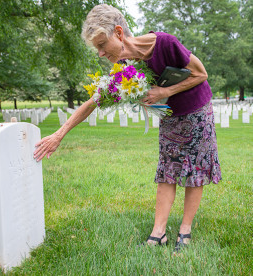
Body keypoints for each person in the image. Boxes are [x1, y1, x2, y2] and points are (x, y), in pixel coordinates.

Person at [33, 4, 222, 252]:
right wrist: (59, 134)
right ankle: (159, 232)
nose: (100, 53)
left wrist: (164, 91)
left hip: (197, 109)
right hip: (170, 117)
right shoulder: (125, 67)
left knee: (194, 170)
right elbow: (93, 101)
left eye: (102, 45)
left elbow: (200, 73)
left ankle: (185, 230)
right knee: (168, 170)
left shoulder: (165, 43)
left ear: (119, 33)